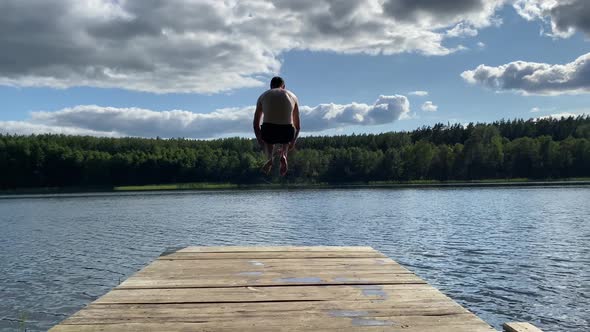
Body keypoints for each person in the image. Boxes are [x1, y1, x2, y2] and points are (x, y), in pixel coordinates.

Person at [253, 76, 300, 176]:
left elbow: (256, 124)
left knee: (268, 140)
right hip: (287, 132)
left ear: (271, 87)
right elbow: (298, 126)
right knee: (287, 136)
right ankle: (284, 155)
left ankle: (270, 158)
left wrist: (261, 142)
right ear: (283, 86)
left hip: (269, 130)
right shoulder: (293, 96)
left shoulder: (263, 96)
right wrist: (292, 142)